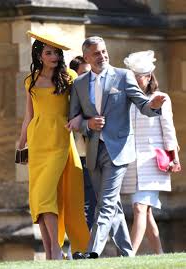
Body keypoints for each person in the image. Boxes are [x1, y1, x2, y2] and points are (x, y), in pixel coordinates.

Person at [67, 36, 166, 259]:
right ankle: (128, 255)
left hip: (118, 150)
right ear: (86, 57)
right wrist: (87, 124)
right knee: (114, 207)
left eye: (104, 51)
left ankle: (92, 253)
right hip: (93, 151)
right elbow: (73, 118)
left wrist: (154, 106)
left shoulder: (123, 76)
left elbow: (143, 105)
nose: (102, 56)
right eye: (96, 53)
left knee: (105, 203)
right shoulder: (79, 83)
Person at [17, 30, 90, 260]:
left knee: (47, 194)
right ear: (39, 55)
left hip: (60, 141)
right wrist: (21, 146)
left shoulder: (68, 76)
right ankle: (50, 254)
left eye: (56, 53)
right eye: (49, 53)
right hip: (37, 143)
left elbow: (80, 108)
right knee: (38, 198)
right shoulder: (30, 80)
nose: (55, 57)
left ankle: (57, 250)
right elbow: (28, 116)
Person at [122, 50, 181, 255]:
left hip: (152, 162)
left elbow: (168, 130)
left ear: (149, 77)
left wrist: (174, 158)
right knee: (146, 213)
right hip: (132, 162)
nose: (137, 81)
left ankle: (127, 255)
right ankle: (160, 254)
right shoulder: (127, 99)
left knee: (139, 208)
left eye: (140, 77)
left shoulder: (160, 98)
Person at [69, 56, 96, 231]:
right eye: (84, 74)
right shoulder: (68, 97)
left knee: (94, 202)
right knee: (84, 204)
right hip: (76, 156)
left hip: (94, 154)